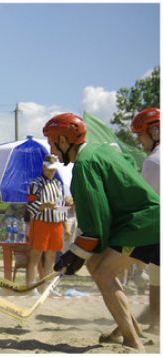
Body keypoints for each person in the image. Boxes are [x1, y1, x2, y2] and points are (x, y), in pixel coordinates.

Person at [43, 112, 159, 352]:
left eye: (52, 141)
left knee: (104, 274)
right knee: (96, 264)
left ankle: (132, 342)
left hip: (143, 226)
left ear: (64, 141)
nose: (51, 148)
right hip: (139, 223)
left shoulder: (84, 165)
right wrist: (81, 255)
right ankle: (131, 328)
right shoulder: (100, 150)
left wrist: (73, 255)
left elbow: (97, 223)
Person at [131, 107, 160, 334]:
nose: (139, 142)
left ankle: (156, 325)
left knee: (156, 279)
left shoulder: (153, 162)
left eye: (140, 135)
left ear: (155, 132)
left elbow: (144, 200)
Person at [25, 154, 69, 287]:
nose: (52, 171)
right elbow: (30, 205)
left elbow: (61, 206)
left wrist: (66, 227)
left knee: (51, 256)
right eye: (49, 168)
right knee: (35, 255)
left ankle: (47, 285)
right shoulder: (35, 184)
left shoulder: (58, 184)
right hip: (41, 223)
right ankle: (31, 285)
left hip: (56, 224)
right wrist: (45, 205)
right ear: (44, 167)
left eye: (54, 169)